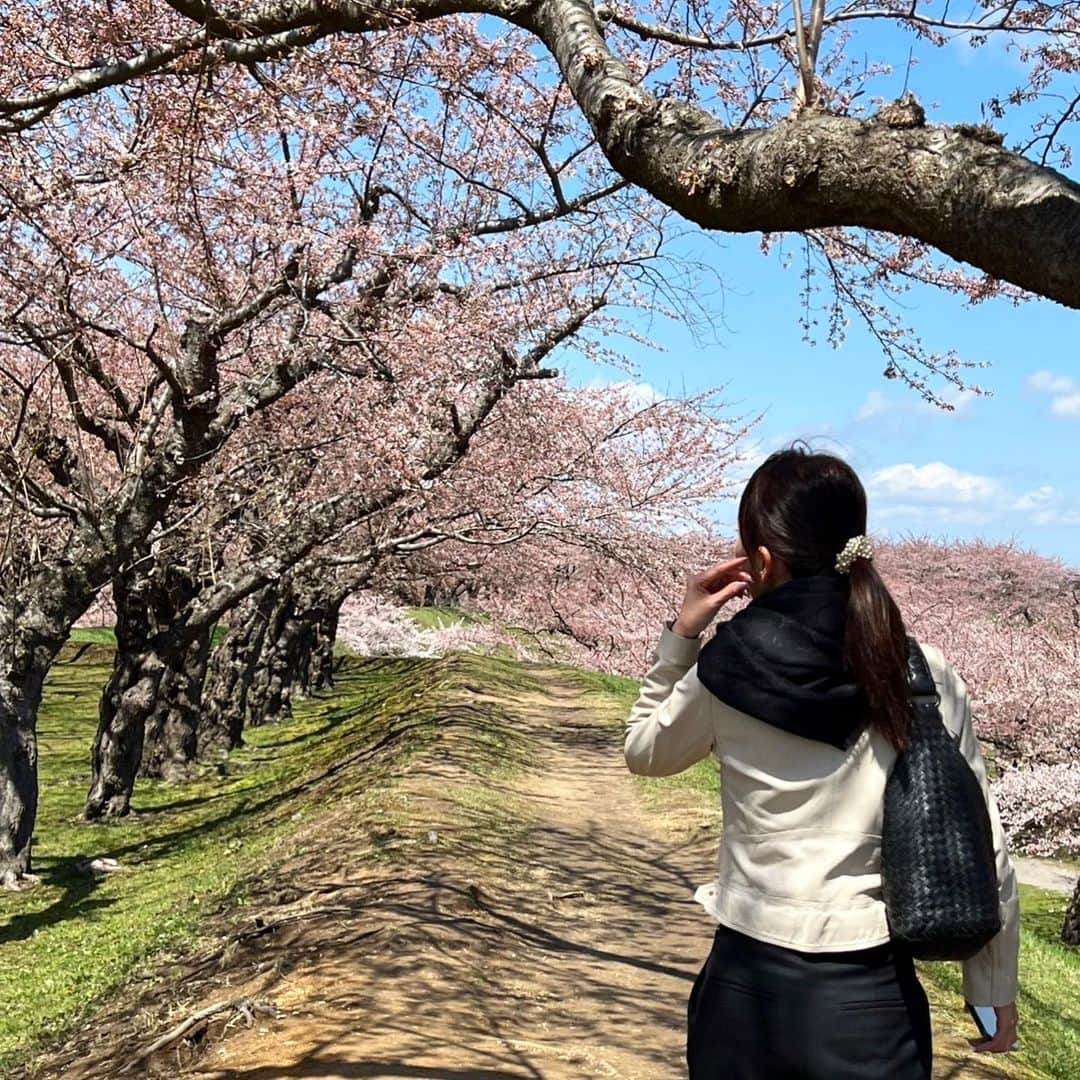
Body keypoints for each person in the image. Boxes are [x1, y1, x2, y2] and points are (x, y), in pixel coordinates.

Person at [624, 446, 1020, 1080]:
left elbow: (645, 752)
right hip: (872, 998)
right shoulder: (921, 671)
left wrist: (681, 637)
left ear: (758, 560)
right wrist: (991, 986)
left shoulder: (723, 669)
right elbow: (979, 840)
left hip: (745, 986)